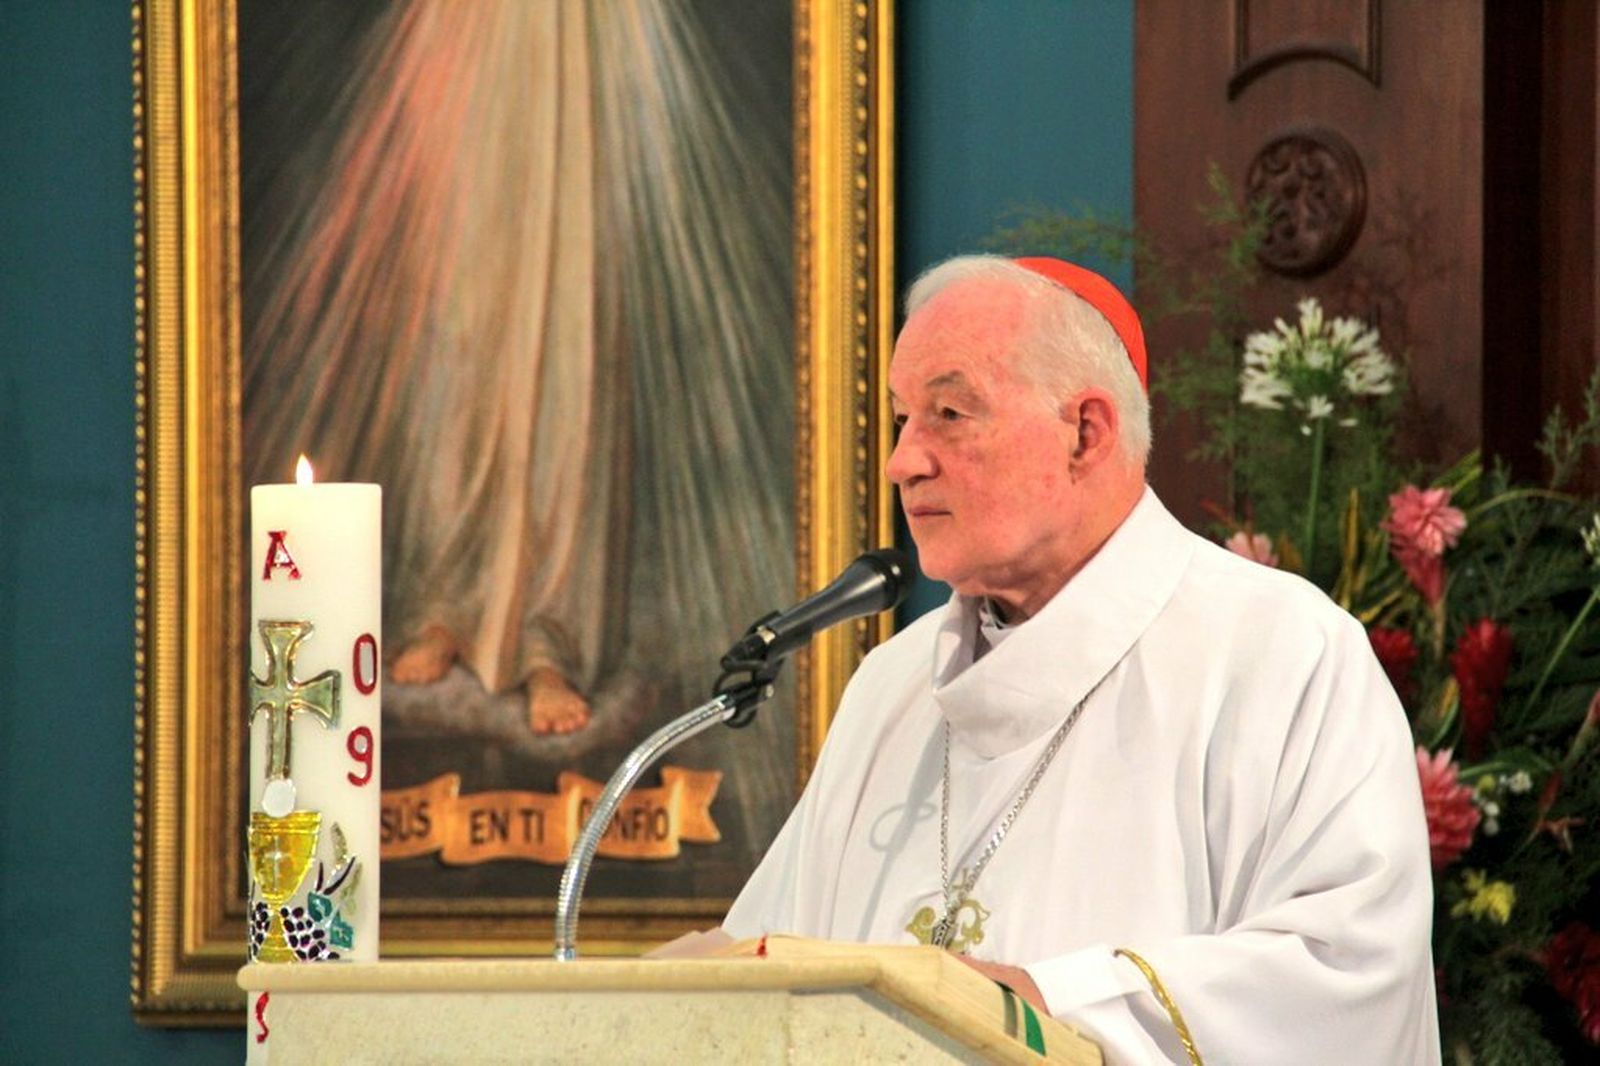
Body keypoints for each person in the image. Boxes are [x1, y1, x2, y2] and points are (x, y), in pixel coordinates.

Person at [721, 255, 1441, 1063]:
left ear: (1085, 433)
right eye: (901, 419)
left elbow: (1341, 976)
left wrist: (1031, 1006)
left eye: (949, 413)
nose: (904, 461)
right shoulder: (890, 688)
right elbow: (763, 966)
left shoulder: (1283, 657)